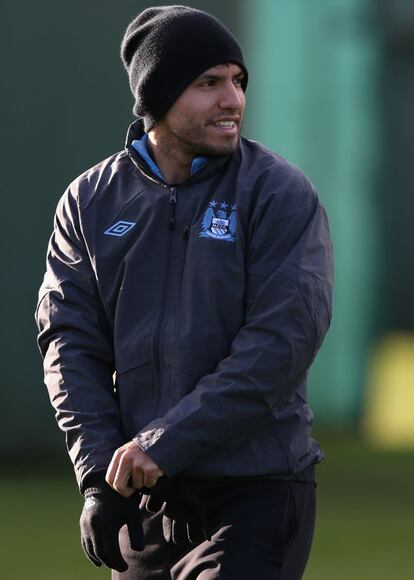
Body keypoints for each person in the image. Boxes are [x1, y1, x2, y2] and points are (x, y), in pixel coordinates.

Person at [35, 5, 333, 580]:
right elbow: (68, 343)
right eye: (208, 83)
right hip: (147, 500)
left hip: (255, 495)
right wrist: (99, 472)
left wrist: (161, 444)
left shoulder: (279, 193)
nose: (233, 101)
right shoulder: (89, 201)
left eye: (237, 81)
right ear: (157, 97)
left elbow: (280, 345)